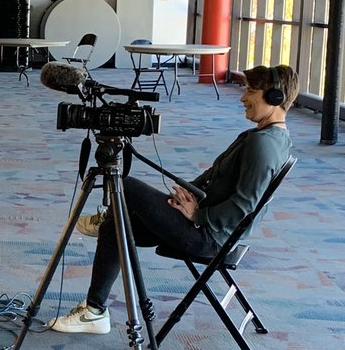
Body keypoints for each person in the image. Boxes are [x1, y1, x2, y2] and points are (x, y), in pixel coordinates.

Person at [49, 64, 298, 334]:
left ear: (275, 97)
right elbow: (216, 177)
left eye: (251, 91)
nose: (242, 97)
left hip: (208, 237)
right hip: (205, 225)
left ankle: (106, 218)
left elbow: (244, 207)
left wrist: (196, 215)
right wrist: (183, 196)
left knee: (126, 185)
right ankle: (94, 312)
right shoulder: (268, 136)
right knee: (116, 229)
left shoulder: (262, 144)